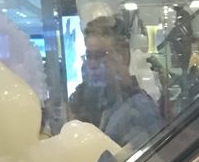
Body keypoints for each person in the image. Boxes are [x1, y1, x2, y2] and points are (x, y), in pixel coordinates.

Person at [69, 15, 161, 154]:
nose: (92, 65)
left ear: (122, 57)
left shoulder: (139, 108)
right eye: (89, 56)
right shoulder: (84, 99)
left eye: (100, 56)